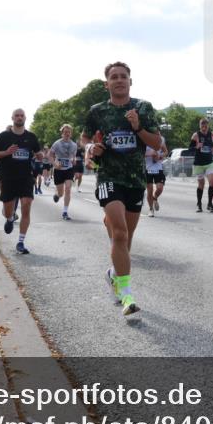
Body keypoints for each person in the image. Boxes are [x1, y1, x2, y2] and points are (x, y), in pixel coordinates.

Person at [84, 61, 162, 317]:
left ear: (130, 81)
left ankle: (114, 274)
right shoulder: (97, 111)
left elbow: (157, 142)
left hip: (135, 180)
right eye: (114, 77)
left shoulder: (142, 107)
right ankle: (127, 296)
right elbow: (85, 139)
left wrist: (138, 126)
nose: (119, 80)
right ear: (106, 84)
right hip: (108, 176)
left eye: (123, 77)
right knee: (118, 233)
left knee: (126, 238)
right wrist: (90, 149)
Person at [0, 109, 42, 254]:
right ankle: (10, 217)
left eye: (22, 115)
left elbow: (38, 153)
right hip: (8, 178)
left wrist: (39, 155)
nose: (19, 118)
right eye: (17, 116)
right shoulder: (5, 136)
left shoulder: (31, 137)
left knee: (26, 204)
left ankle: (21, 242)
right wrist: (7, 152)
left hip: (26, 177)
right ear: (12, 118)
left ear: (25, 118)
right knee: (8, 211)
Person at [190, 118, 213, 213]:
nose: (204, 127)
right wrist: (196, 146)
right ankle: (199, 204)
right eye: (202, 125)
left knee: (212, 181)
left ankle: (210, 204)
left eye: (205, 125)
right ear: (200, 126)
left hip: (209, 162)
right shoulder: (196, 135)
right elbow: (190, 149)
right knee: (201, 184)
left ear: (208, 126)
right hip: (198, 163)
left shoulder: (212, 135)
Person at [51, 124, 78, 219]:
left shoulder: (74, 145)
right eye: (65, 132)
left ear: (71, 134)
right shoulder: (57, 143)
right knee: (61, 193)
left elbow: (73, 156)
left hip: (69, 169)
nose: (67, 133)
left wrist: (74, 160)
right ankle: (57, 194)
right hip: (59, 170)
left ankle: (65, 212)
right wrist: (55, 164)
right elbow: (50, 155)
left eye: (69, 132)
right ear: (62, 133)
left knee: (68, 189)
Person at [145, 141, 167, 216]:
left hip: (158, 169)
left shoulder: (159, 140)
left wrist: (160, 156)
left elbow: (165, 151)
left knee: (160, 188)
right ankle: (151, 209)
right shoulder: (144, 140)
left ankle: (155, 197)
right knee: (149, 190)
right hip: (147, 169)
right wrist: (150, 154)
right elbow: (139, 153)